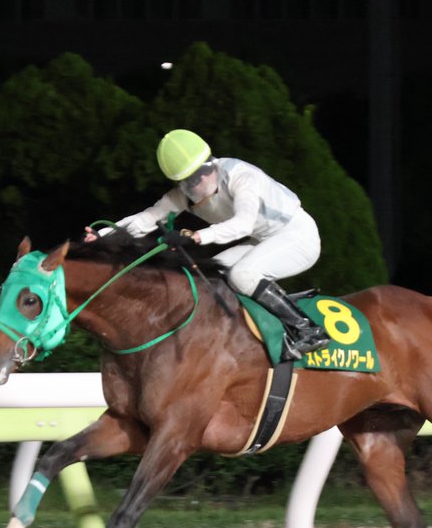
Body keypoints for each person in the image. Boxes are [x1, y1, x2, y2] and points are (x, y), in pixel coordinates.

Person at [86, 129, 330, 360]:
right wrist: (102, 237)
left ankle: (309, 330)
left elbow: (243, 224)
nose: (196, 183)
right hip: (263, 240)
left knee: (243, 274)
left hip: (297, 235)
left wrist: (195, 237)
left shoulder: (242, 176)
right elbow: (147, 219)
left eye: (200, 173)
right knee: (212, 274)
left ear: (210, 164)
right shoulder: (185, 194)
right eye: (186, 181)